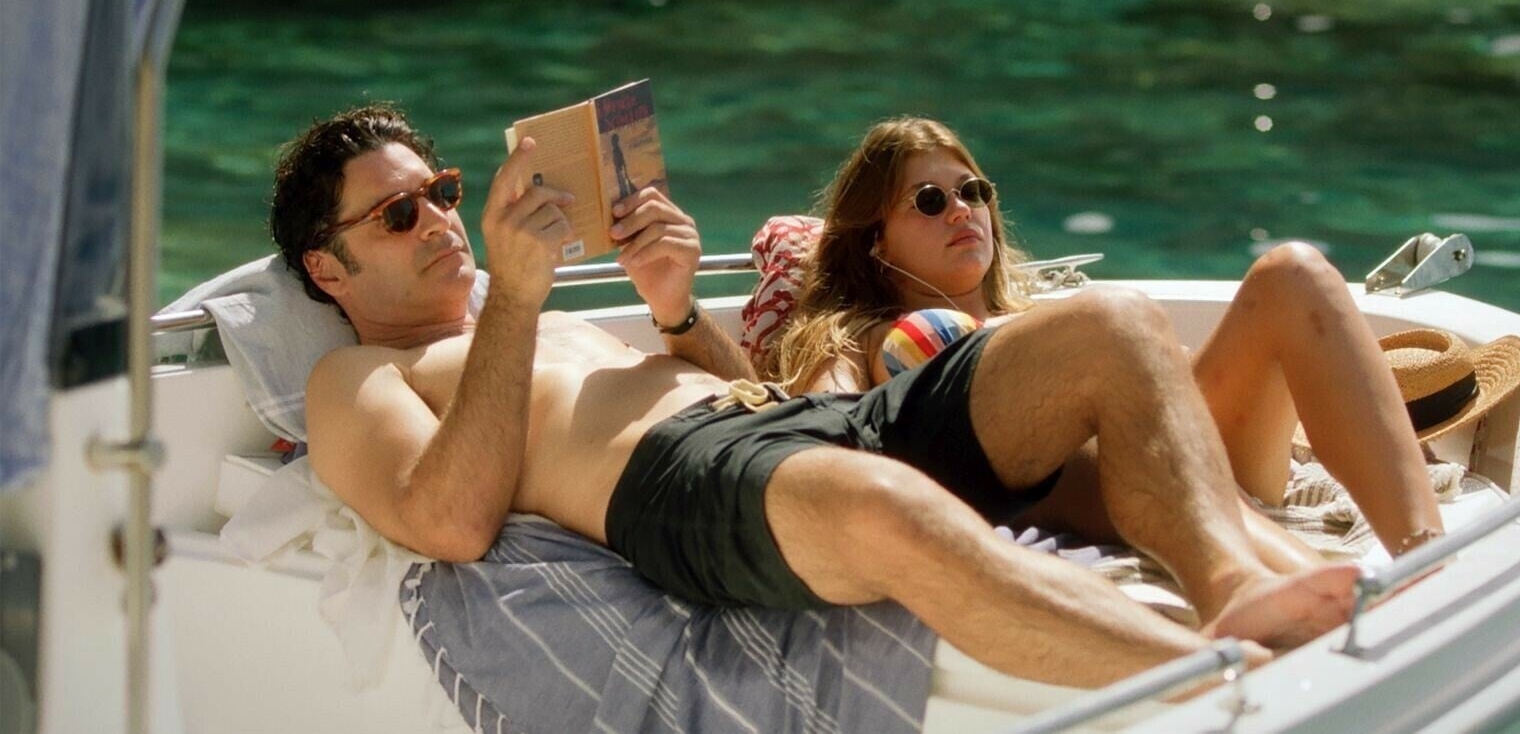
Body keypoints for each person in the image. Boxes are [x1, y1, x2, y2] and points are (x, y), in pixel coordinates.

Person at [274, 103, 1361, 691]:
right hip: (682, 488)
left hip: (787, 426)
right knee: (886, 509)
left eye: (442, 193)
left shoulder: (542, 323)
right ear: (327, 269)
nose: (441, 221)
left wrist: (672, 311)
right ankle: (1224, 677)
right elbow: (447, 522)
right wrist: (515, 295)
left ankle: (1230, 583)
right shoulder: (357, 376)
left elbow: (744, 393)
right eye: (400, 216)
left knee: (1110, 324)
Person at [771, 116, 1445, 566]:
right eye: (929, 200)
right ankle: (1320, 591)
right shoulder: (866, 336)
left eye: (972, 191)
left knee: (1293, 272)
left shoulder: (1046, 316)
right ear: (875, 241)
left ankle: (1427, 557)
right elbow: (822, 433)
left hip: (1204, 451)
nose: (962, 211)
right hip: (1116, 489)